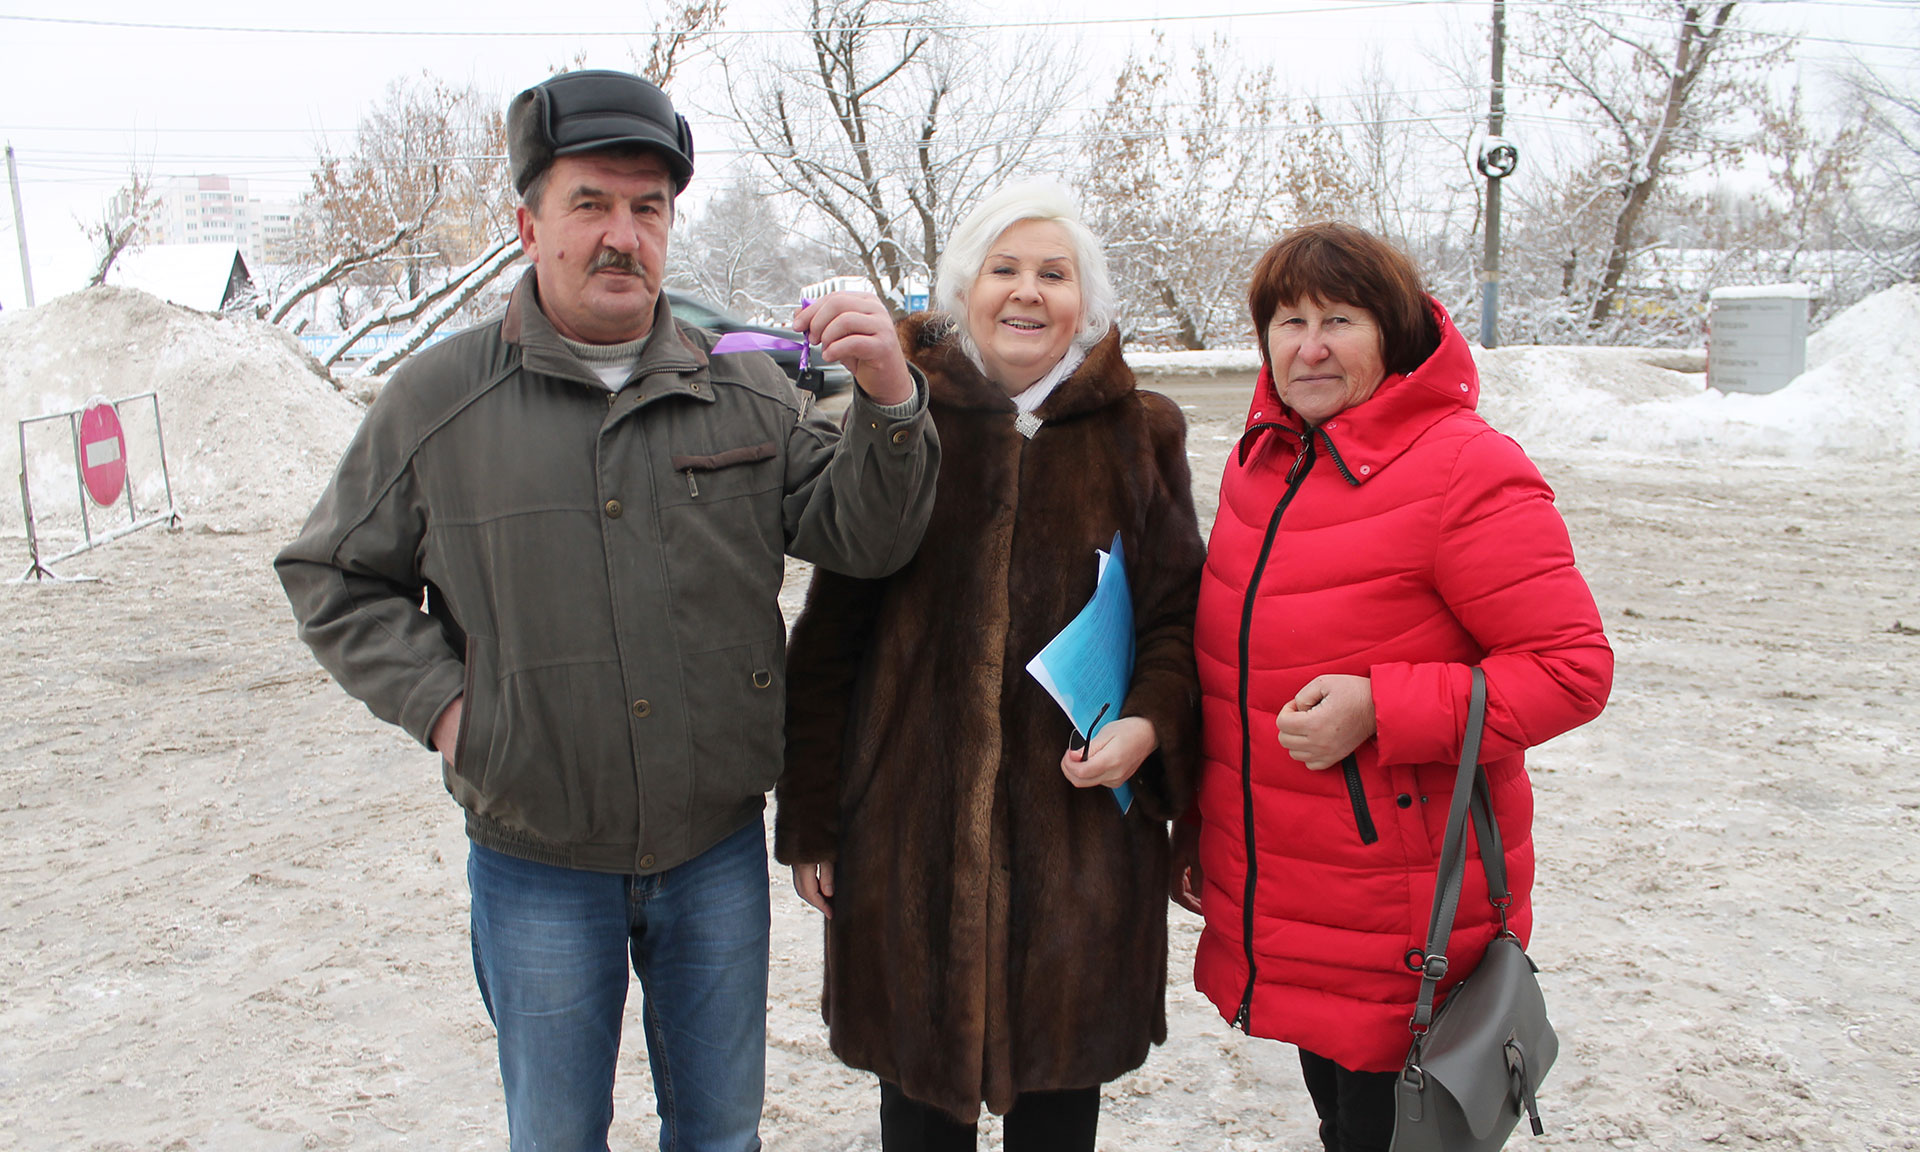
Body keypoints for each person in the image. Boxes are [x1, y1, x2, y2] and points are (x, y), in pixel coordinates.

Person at [274, 69, 939, 1152]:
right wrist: (455, 712)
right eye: (590, 203)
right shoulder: (439, 402)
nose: (622, 235)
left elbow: (869, 538)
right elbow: (332, 575)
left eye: (648, 207)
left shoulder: (745, 387)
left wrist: (891, 404)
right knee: (557, 1136)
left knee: (720, 1135)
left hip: (714, 849)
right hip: (536, 858)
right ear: (528, 225)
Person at [774, 184, 1206, 1151]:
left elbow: (1177, 619)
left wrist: (1148, 724)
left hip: (1081, 853)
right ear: (963, 290)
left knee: (1059, 1116)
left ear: (1084, 302)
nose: (1027, 292)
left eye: (1054, 273)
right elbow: (832, 636)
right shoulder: (900, 421)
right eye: (1003, 269)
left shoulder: (1143, 433)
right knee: (919, 1118)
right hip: (907, 846)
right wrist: (813, 819)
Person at [1173, 222, 1613, 1152]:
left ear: (1396, 334)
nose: (1310, 347)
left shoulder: (1464, 465)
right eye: (1289, 321)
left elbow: (1570, 668)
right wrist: (1200, 830)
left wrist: (1383, 707)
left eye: (1340, 320)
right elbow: (1236, 677)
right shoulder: (1266, 461)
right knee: (1346, 1123)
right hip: (1298, 899)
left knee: (1394, 1131)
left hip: (1405, 911)